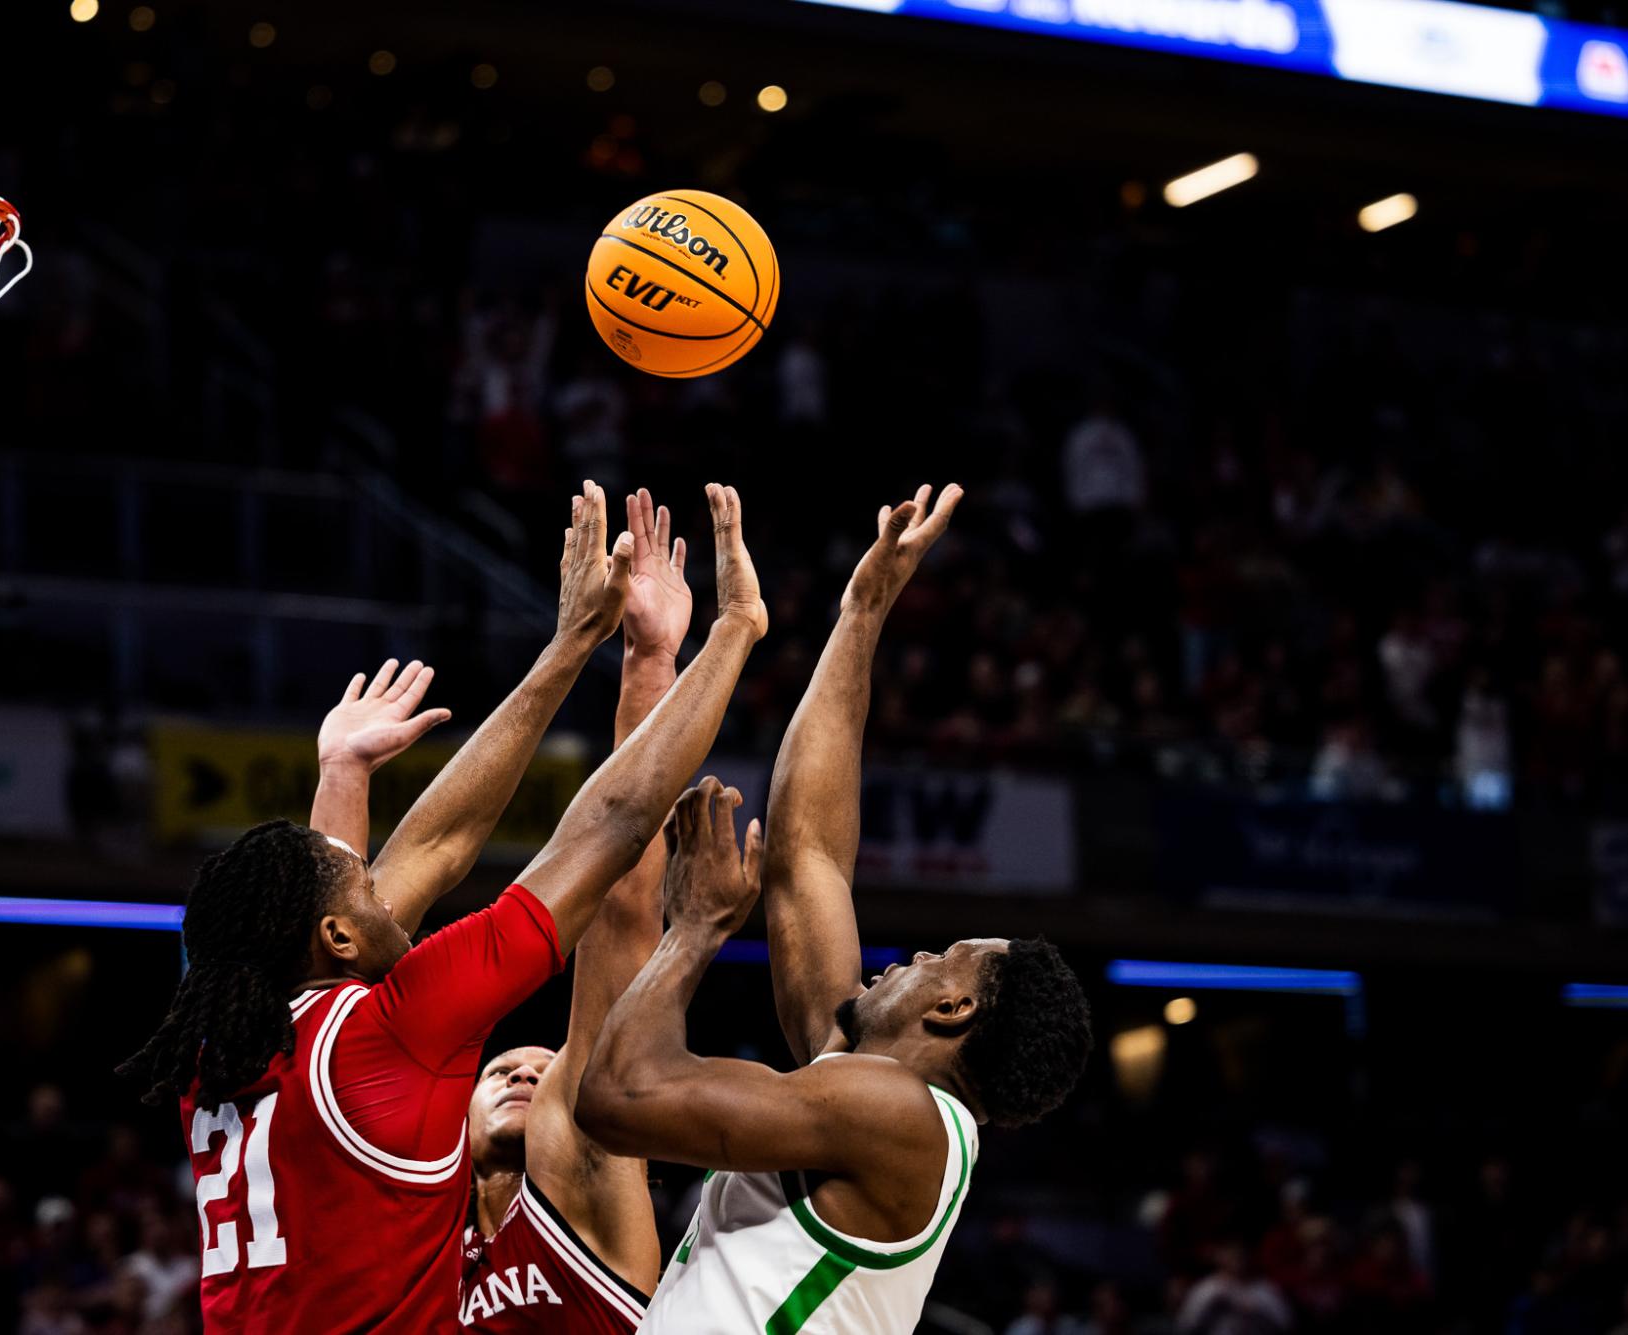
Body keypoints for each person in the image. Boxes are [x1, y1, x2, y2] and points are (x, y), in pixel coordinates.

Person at [118, 481, 768, 1335]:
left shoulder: (225, 1049)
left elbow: (418, 859)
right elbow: (607, 827)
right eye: (366, 893)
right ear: (336, 935)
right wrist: (735, 633)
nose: (397, 901)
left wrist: (345, 774)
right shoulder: (391, 1031)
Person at [579, 486, 1092, 1334]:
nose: (913, 958)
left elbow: (619, 1097)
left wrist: (694, 931)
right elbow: (807, 856)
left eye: (941, 960)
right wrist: (863, 608)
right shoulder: (869, 1087)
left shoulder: (895, 1116)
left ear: (953, 1008)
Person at [455, 489, 692, 1331]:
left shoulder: (580, 1170)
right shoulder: (411, 1246)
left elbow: (623, 910)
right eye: (500, 1070)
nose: (524, 1073)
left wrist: (648, 659)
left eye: (538, 1069)